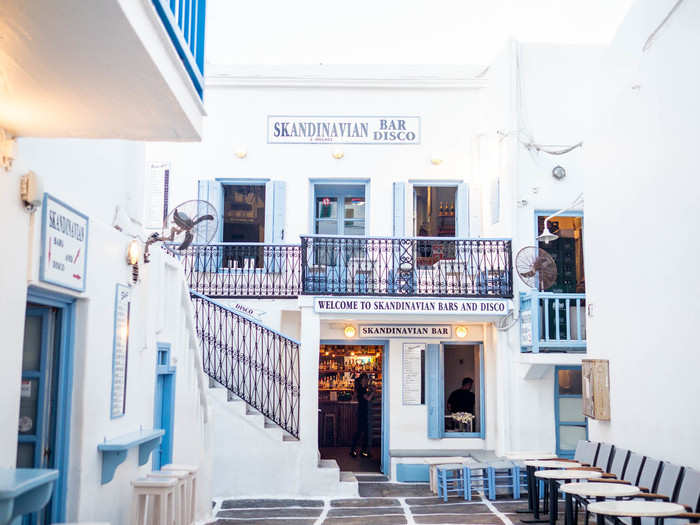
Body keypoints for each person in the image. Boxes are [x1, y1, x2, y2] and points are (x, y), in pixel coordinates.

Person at [350, 373, 375, 458]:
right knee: (361, 432)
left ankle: (361, 451)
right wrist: (373, 392)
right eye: (365, 379)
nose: (367, 381)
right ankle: (356, 450)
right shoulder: (361, 389)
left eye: (367, 379)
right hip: (362, 412)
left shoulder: (363, 389)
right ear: (362, 380)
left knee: (363, 432)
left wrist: (370, 389)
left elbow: (356, 397)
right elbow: (368, 399)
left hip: (363, 412)